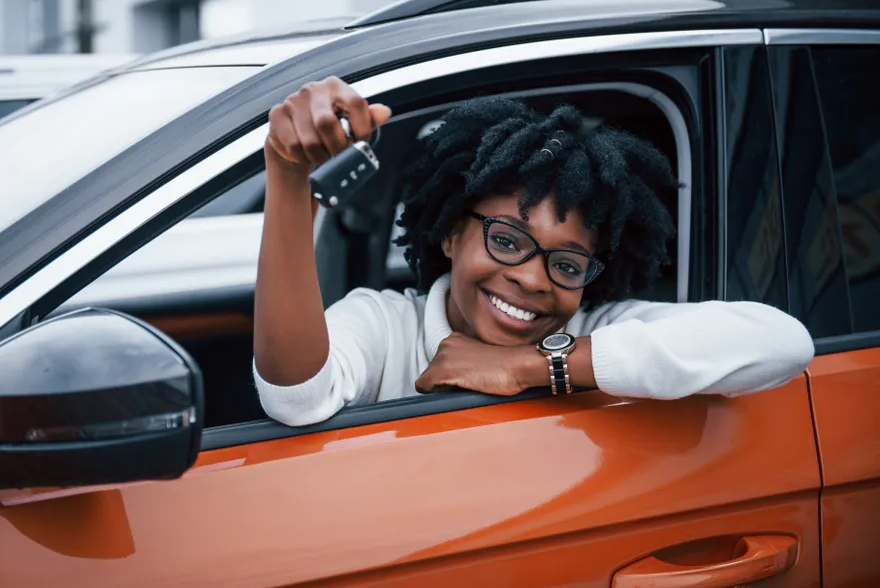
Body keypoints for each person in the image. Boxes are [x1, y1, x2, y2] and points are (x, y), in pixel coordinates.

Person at [252, 76, 814, 427]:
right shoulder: (383, 324)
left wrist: (527, 366)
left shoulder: (596, 326)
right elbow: (298, 399)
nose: (531, 279)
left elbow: (784, 343)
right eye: (506, 239)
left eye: (567, 264)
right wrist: (288, 176)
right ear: (450, 234)